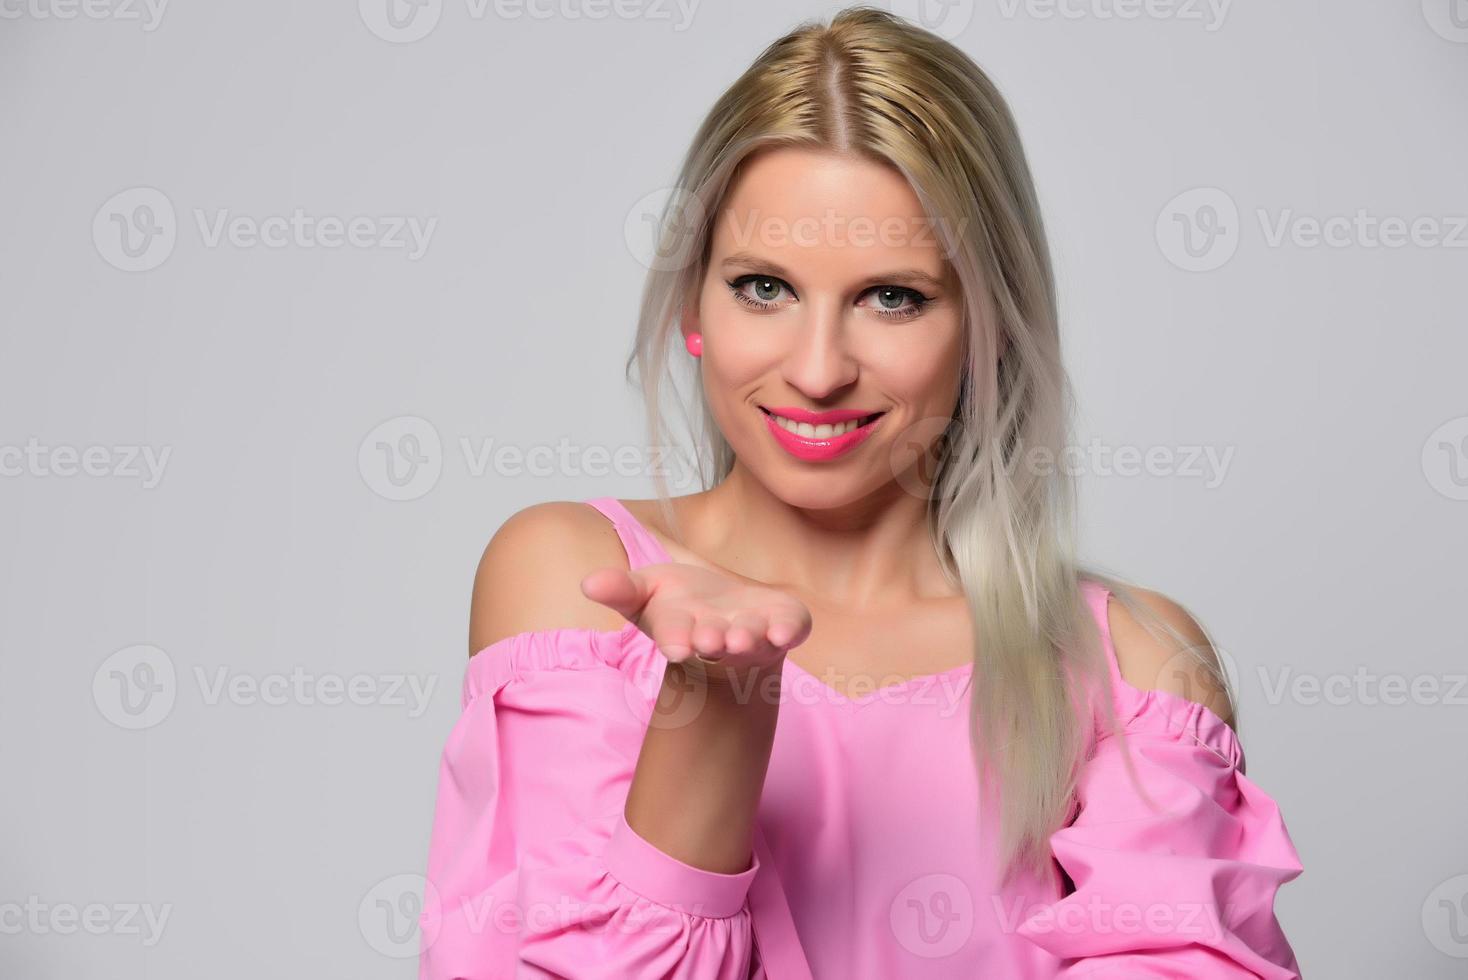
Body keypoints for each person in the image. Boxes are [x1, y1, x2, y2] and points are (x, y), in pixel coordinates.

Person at [417, 7, 1303, 978]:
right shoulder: (576, 576)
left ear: (988, 329)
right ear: (690, 306)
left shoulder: (1133, 666)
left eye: (893, 297)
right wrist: (714, 709)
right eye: (764, 286)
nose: (817, 367)